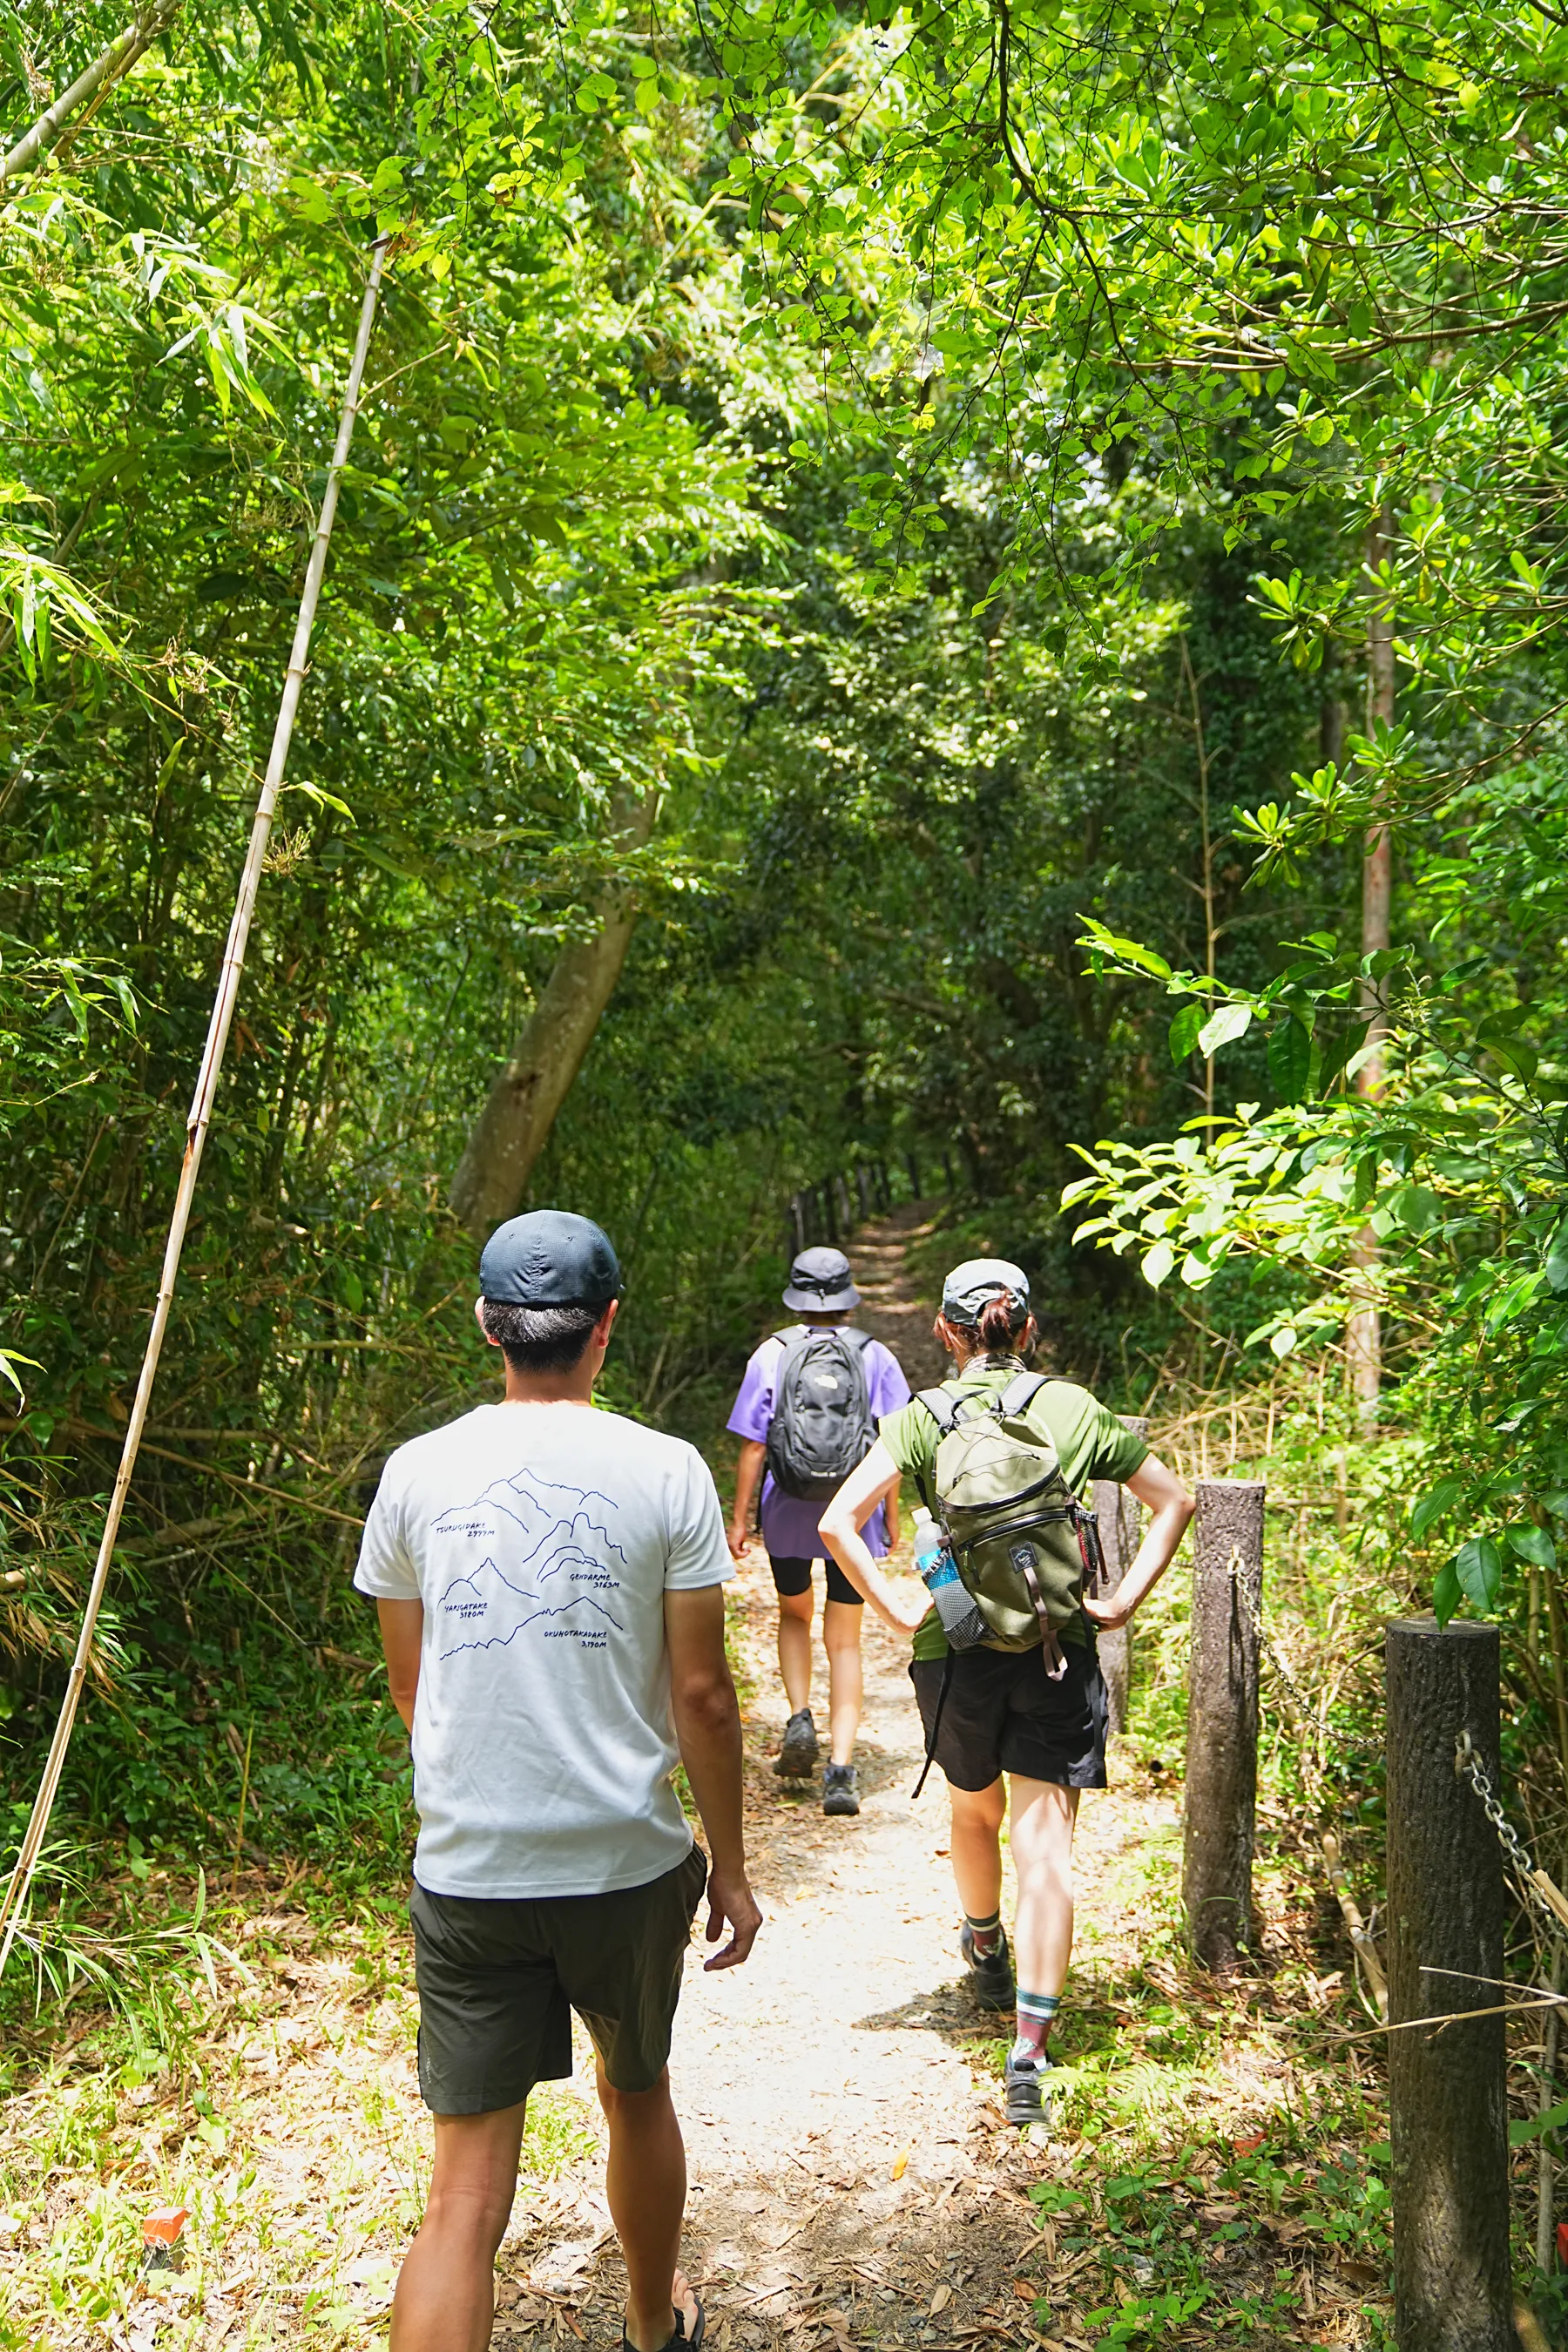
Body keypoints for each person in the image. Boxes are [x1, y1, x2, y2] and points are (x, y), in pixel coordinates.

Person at [356, 1209, 762, 2352]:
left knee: (464, 2198)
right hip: (624, 1864)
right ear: (607, 1328)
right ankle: (647, 2322)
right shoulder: (667, 1471)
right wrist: (729, 1869)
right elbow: (706, 1699)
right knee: (635, 2093)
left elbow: (411, 1686)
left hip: (472, 1871)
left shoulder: (416, 1474)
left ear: (488, 1325)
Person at [819, 1256, 1193, 2128]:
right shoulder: (1072, 1408)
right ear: (1028, 1329)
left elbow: (839, 1521)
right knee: (1047, 1842)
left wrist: (898, 1606)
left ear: (947, 1335)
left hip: (956, 1648)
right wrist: (1121, 1601)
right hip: (1057, 1647)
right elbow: (1173, 1500)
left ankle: (984, 1942)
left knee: (971, 1810)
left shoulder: (920, 1418)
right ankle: (1030, 2049)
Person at [726, 1245, 910, 1817]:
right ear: (848, 1297)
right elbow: (893, 1446)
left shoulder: (773, 1354)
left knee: (794, 1615)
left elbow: (755, 1446)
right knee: (847, 1639)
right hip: (853, 1516)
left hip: (787, 1507)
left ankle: (801, 1715)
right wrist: (890, 1516)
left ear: (798, 1296)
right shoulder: (875, 1355)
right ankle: (841, 1769)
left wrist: (740, 1519)